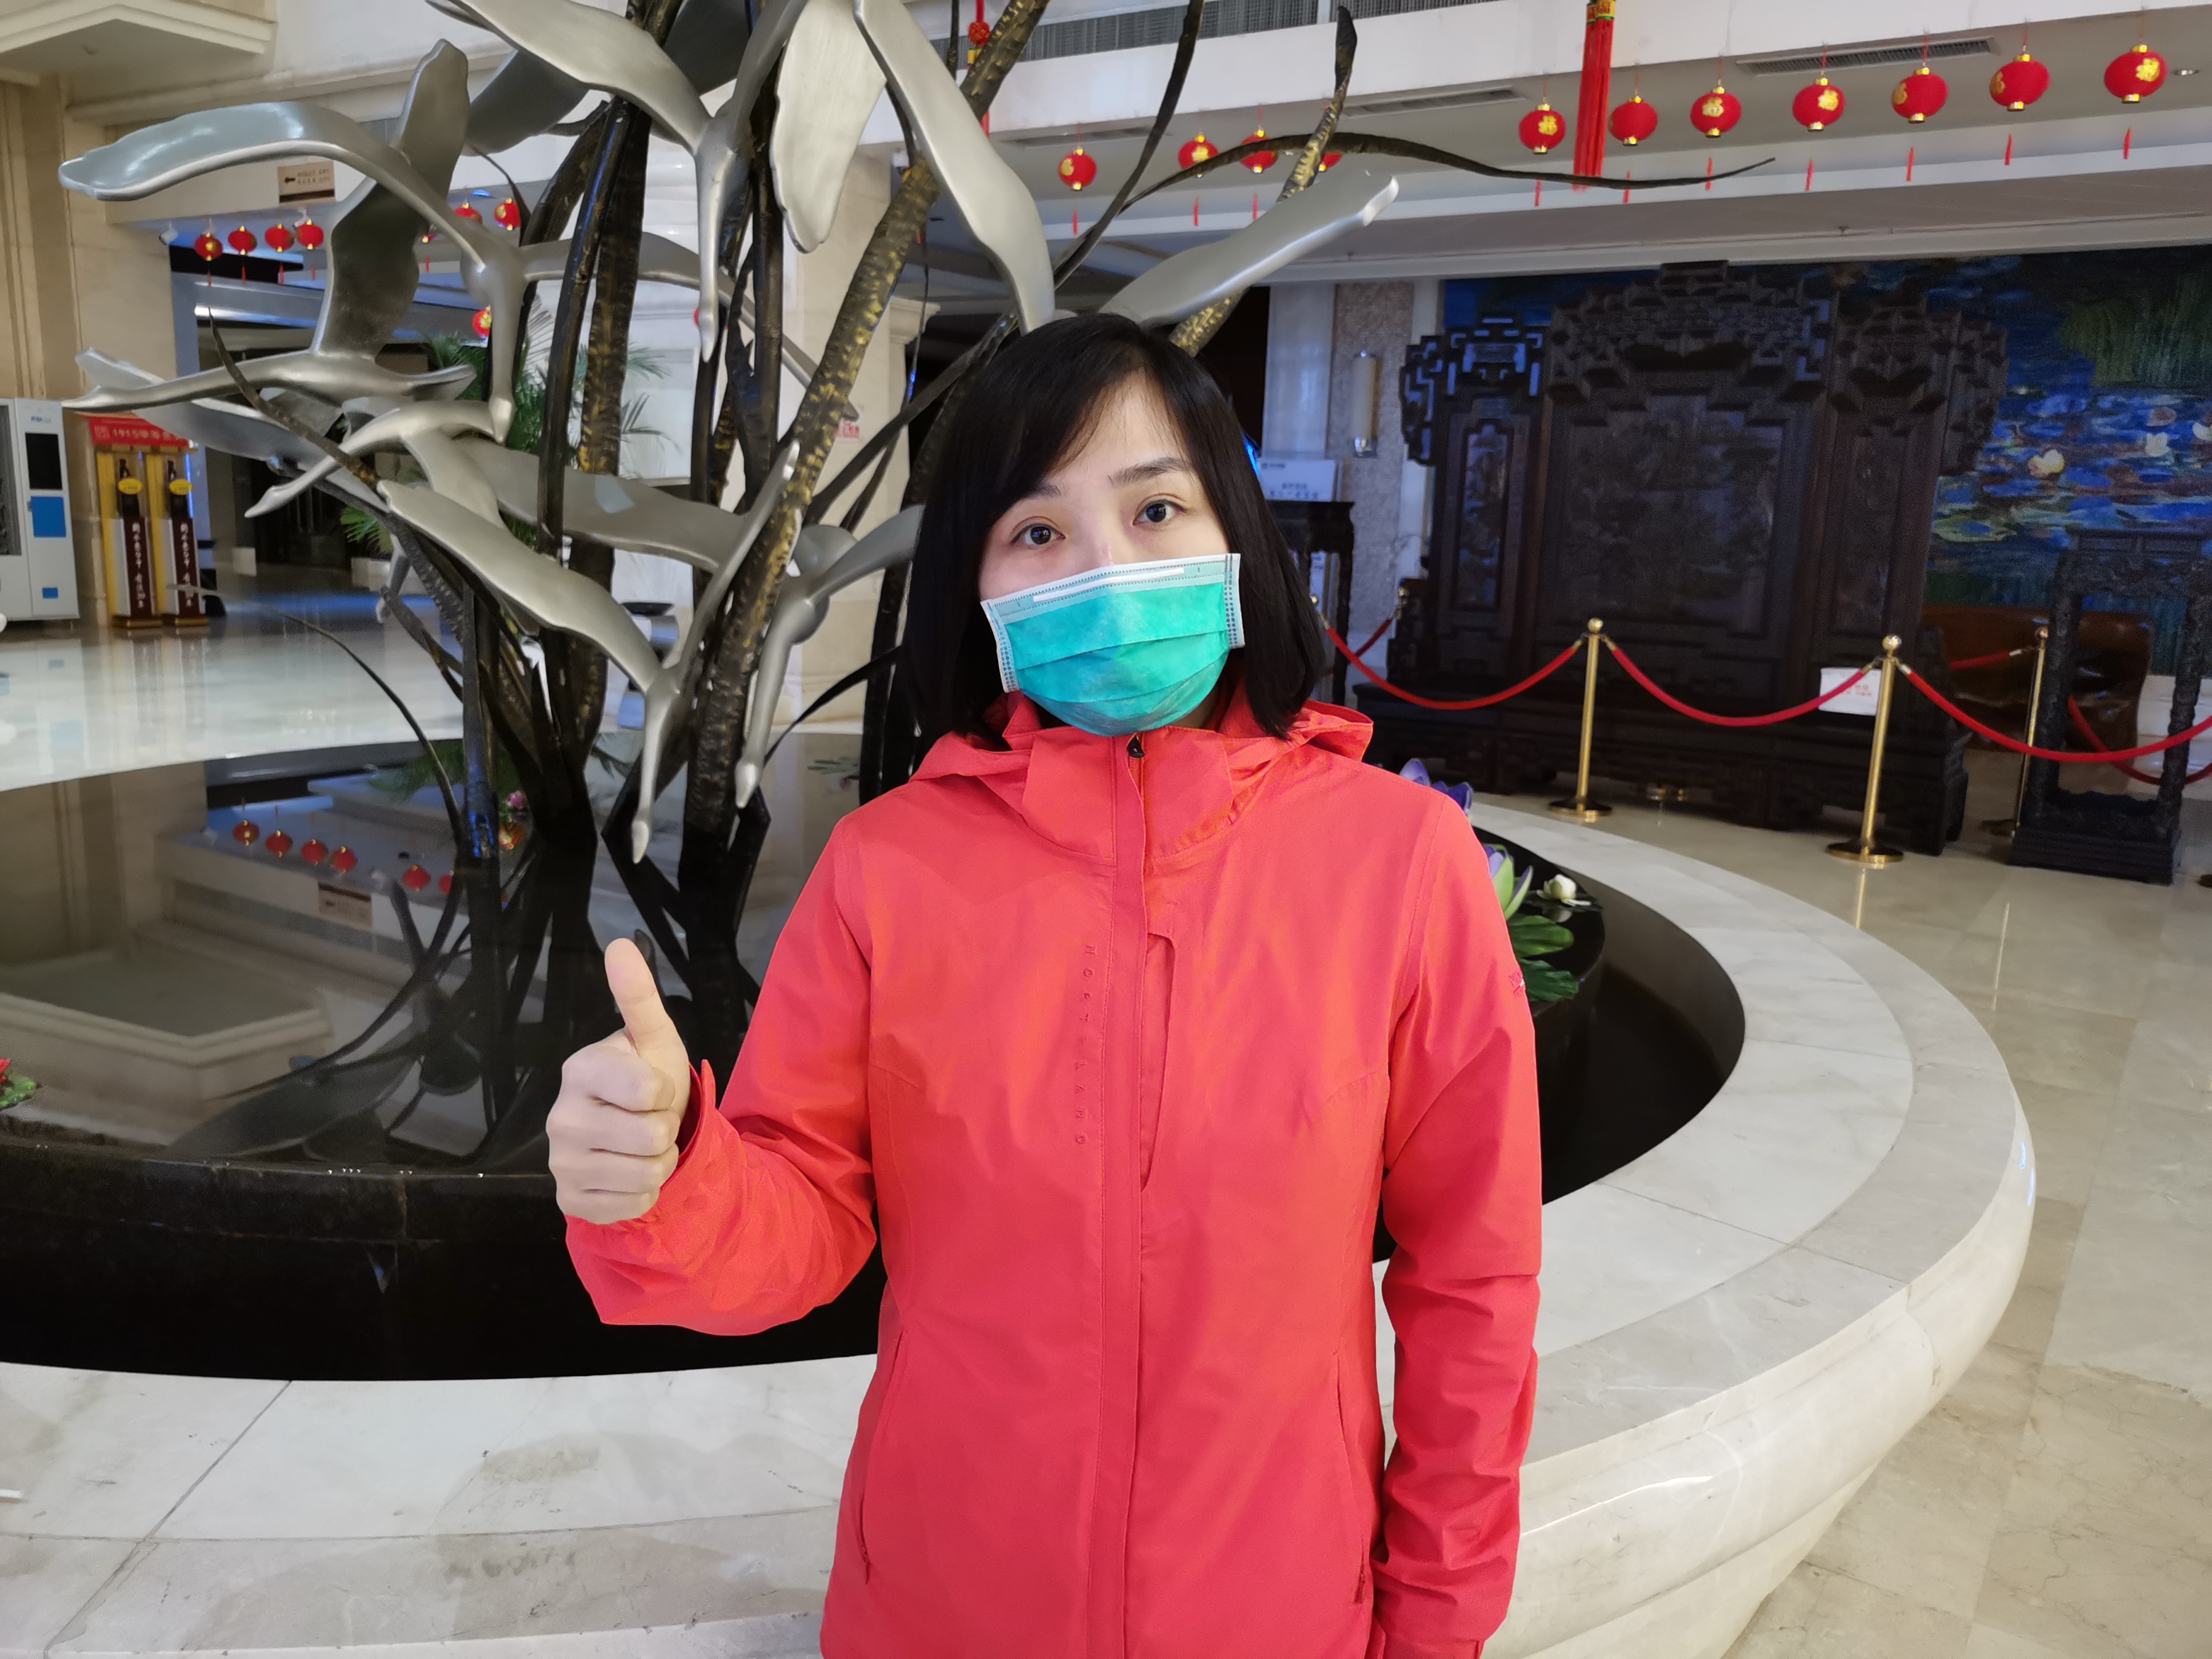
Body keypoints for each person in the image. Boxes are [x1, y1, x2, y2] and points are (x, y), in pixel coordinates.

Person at [551, 312, 1542, 1659]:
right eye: (1037, 529)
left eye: (1156, 509)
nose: (1106, 567)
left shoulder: (1402, 862)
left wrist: (1434, 1621)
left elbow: (1474, 1277)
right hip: (941, 1604)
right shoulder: (887, 868)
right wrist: (669, 1177)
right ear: (976, 581)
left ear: (1236, 538)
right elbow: (802, 1221)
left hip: (1273, 1604)